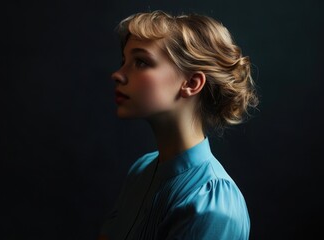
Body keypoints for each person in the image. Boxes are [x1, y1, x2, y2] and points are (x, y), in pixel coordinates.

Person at [98, 10, 259, 240]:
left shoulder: (212, 205)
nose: (117, 74)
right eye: (124, 61)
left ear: (192, 83)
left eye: (141, 61)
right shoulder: (141, 170)